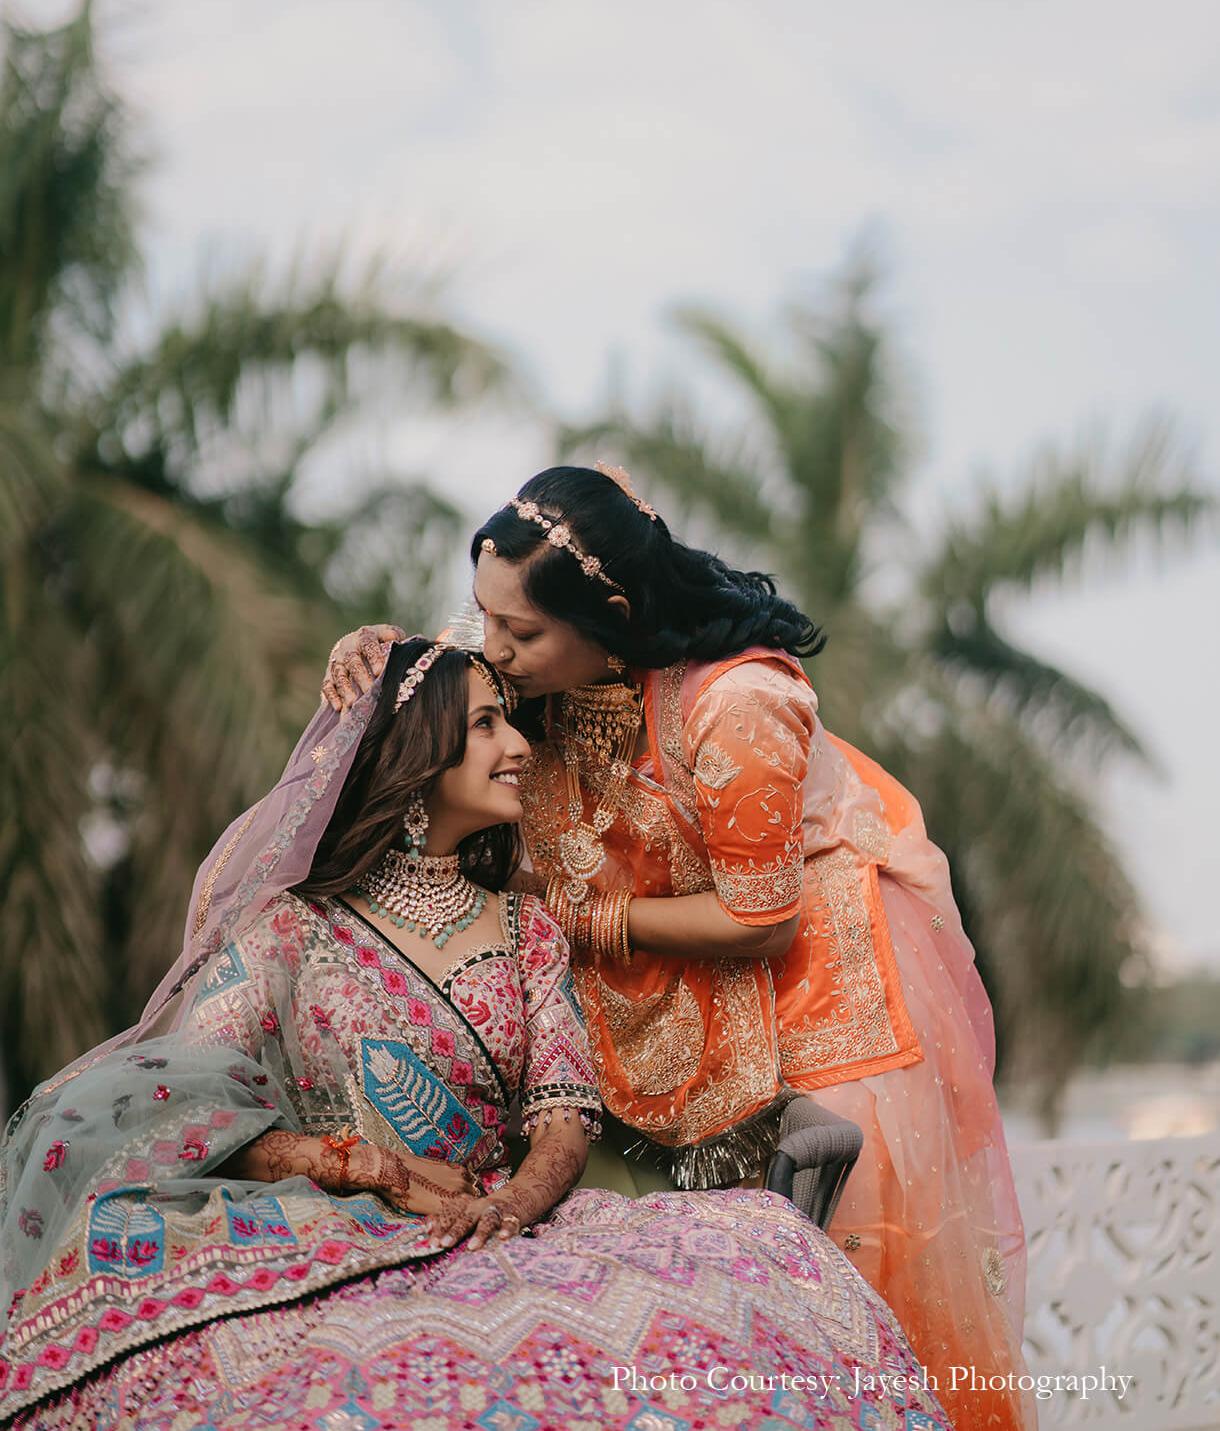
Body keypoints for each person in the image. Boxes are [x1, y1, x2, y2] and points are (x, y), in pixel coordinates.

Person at [0, 639, 949, 1431]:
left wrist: (515, 1208)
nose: (518, 748)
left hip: (505, 1222)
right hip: (341, 1229)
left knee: (749, 1265)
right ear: (417, 753)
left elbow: (565, 1113)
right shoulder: (294, 927)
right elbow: (187, 1104)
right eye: (487, 724)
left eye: (509, 717)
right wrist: (374, 1169)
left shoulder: (527, 927)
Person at [324, 465, 1032, 1431]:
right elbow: (438, 683)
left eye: (517, 634)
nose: (491, 651)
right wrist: (374, 650)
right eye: (479, 619)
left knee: (854, 1257)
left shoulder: (735, 703)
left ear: (608, 611)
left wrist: (588, 920)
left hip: (816, 952)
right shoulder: (532, 648)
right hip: (667, 943)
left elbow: (761, 918)